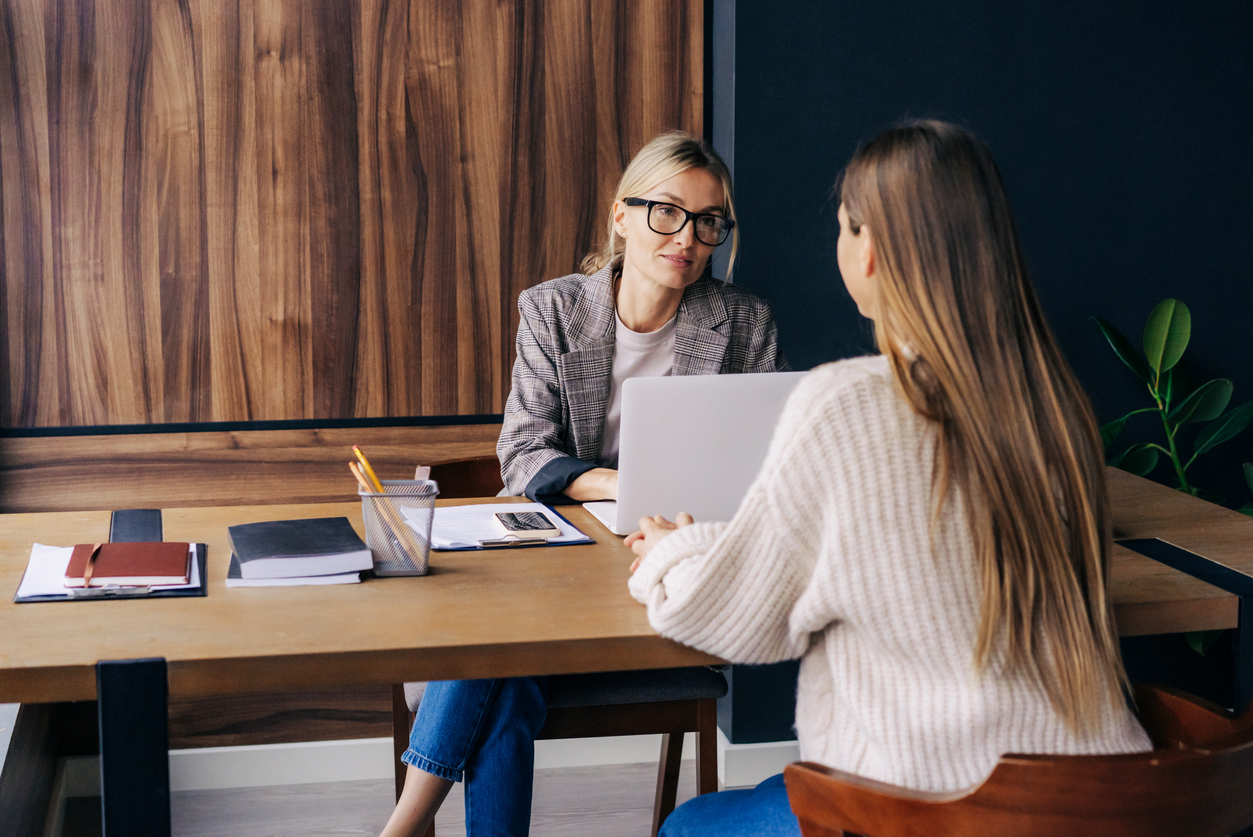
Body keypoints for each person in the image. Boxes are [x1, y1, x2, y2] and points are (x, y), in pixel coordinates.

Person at [624, 120, 1153, 837]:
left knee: (688, 826)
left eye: (844, 226)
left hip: (922, 811)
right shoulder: (1055, 408)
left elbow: (738, 616)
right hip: (1102, 803)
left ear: (866, 250)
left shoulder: (847, 404)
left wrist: (670, 553)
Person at [379, 131, 789, 837]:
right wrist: (615, 484)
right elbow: (523, 452)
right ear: (621, 216)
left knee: (498, 651)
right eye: (666, 211)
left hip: (670, 563)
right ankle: (408, 823)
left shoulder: (742, 322)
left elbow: (770, 465)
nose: (686, 237)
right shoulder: (554, 310)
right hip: (556, 564)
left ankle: (405, 823)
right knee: (507, 663)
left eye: (707, 221)